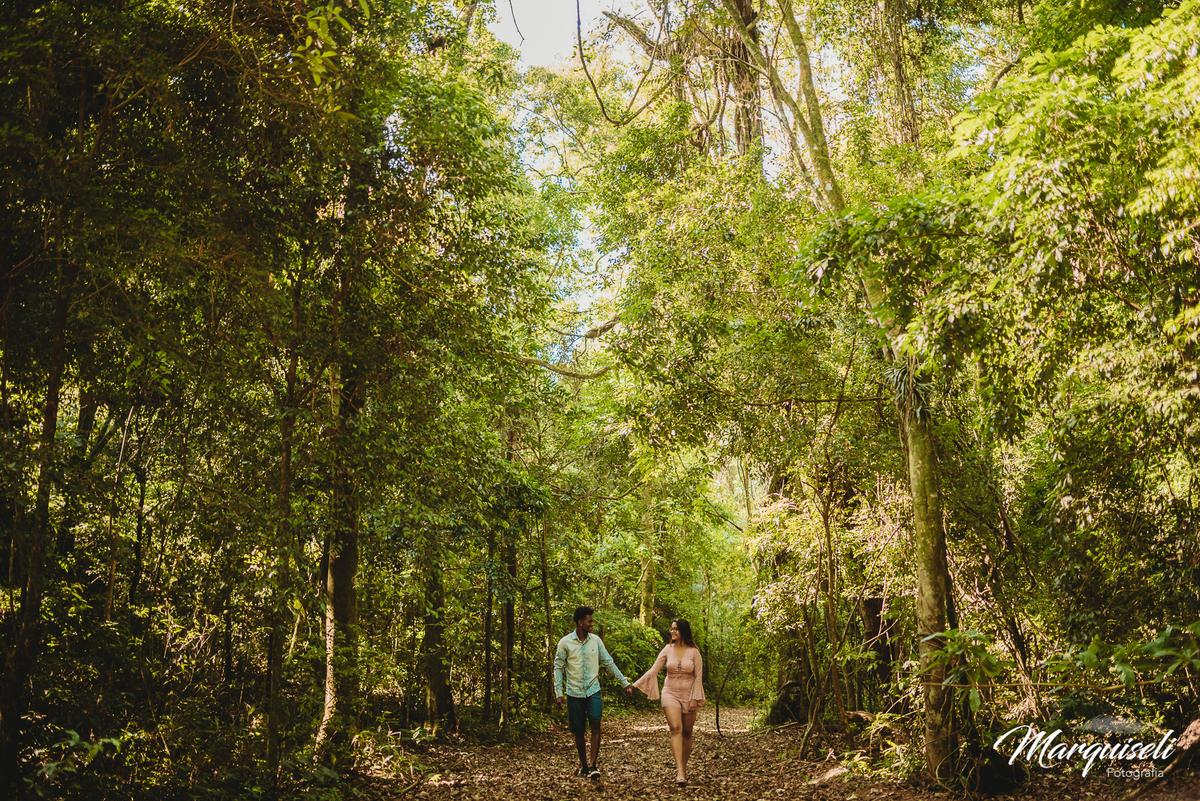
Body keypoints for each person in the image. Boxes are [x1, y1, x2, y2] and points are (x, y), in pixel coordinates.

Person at [553, 606, 634, 779]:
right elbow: (558, 667)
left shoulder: (596, 641)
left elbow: (608, 662)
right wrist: (558, 692)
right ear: (580, 622)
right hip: (574, 692)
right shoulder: (565, 643)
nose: (592, 624)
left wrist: (624, 683)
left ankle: (593, 766)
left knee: (596, 724)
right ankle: (583, 766)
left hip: (593, 690)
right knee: (579, 731)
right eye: (589, 621)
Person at [631, 618, 705, 787]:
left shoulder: (694, 652)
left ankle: (683, 769)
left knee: (687, 732)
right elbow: (653, 671)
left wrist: (694, 697)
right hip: (670, 692)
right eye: (671, 629)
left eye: (675, 629)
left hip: (689, 693)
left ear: (683, 632)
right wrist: (635, 685)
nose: (672, 632)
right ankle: (679, 771)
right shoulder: (667, 649)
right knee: (676, 729)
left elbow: (698, 677)